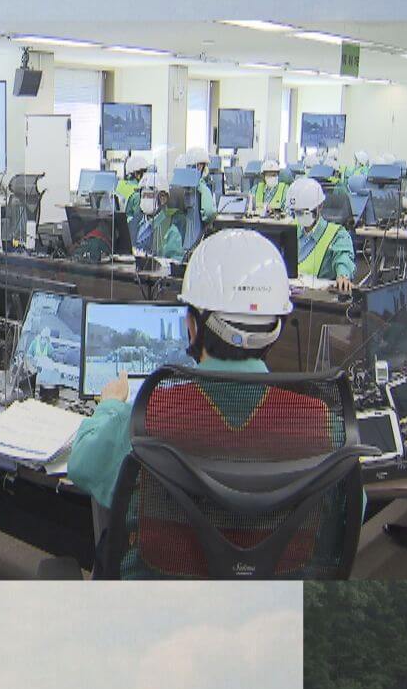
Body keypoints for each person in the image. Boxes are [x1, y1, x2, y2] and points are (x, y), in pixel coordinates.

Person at [67, 229, 352, 572]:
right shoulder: (322, 424)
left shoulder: (150, 415)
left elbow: (82, 465)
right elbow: (352, 509)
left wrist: (110, 406)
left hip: (162, 612)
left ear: (191, 327)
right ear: (276, 329)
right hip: (277, 611)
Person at [285, 178, 356, 293]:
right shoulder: (291, 228)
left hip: (316, 299)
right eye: (296, 212)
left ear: (320, 207)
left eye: (305, 212)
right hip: (289, 293)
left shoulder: (338, 234)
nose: (299, 216)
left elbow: (343, 257)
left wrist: (343, 275)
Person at [131, 172, 190, 263]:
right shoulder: (134, 222)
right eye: (143, 196)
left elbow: (175, 263)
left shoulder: (171, 230)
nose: (145, 199)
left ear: (163, 198)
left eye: (149, 195)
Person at [177, 147, 218, 222]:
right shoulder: (202, 187)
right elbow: (209, 213)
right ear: (200, 166)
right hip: (196, 232)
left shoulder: (177, 184)